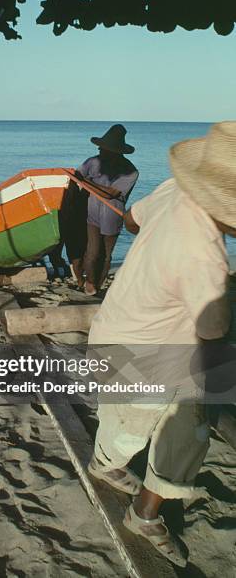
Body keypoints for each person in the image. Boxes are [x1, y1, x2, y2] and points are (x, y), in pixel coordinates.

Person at [87, 121, 236, 567]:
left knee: (121, 420)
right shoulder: (204, 258)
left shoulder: (174, 189)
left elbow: (131, 220)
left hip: (111, 333)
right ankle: (145, 515)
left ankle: (105, 463)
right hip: (143, 361)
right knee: (189, 422)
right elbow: (213, 341)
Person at [76, 124, 138, 295]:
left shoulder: (130, 171)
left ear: (116, 151)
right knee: (93, 251)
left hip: (112, 215)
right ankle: (89, 282)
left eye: (104, 149)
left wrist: (86, 181)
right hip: (92, 213)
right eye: (100, 148)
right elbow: (76, 177)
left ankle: (99, 284)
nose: (100, 150)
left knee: (106, 254)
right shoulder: (92, 161)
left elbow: (111, 193)